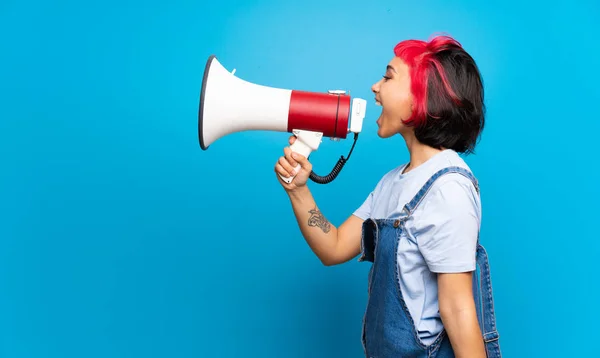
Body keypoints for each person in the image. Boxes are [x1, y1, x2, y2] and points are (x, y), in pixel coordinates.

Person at [274, 34, 501, 358]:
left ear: (423, 96)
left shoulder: (448, 189)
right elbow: (334, 247)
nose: (375, 87)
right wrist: (298, 191)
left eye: (388, 76)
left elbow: (458, 310)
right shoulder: (393, 182)